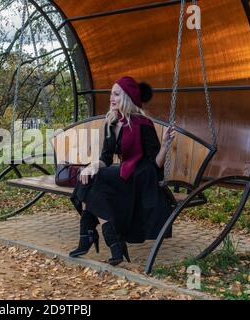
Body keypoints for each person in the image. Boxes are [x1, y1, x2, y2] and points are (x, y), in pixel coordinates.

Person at [69, 76, 175, 266]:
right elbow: (106, 159)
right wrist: (92, 166)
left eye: (116, 94)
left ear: (127, 97)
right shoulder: (111, 122)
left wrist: (165, 147)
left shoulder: (143, 124)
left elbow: (155, 164)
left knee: (95, 182)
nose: (112, 97)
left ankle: (89, 236)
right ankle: (113, 244)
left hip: (142, 177)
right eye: (111, 93)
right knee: (89, 177)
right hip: (125, 173)